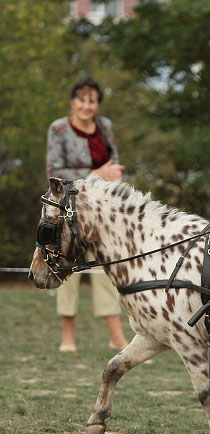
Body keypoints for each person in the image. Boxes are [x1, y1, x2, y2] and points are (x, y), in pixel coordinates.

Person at [46, 77, 129, 353]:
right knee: (66, 268)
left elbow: (112, 162)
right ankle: (67, 337)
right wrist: (94, 175)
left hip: (102, 210)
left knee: (105, 270)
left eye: (92, 100)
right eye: (81, 100)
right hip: (68, 210)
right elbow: (54, 174)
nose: (86, 105)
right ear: (73, 102)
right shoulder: (58, 129)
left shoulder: (105, 127)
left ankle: (117, 337)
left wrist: (114, 177)